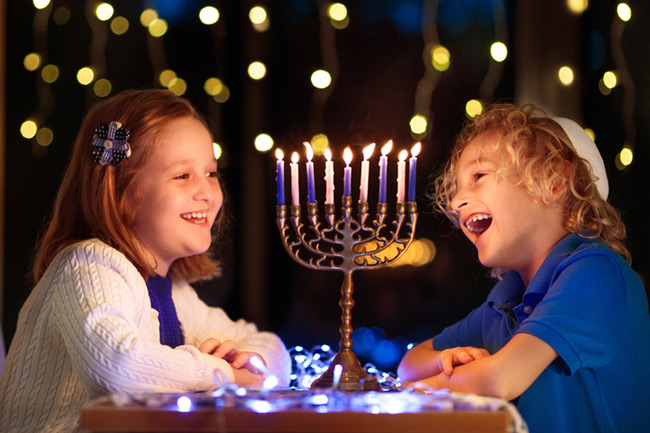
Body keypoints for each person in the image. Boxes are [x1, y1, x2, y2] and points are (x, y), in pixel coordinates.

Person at [0, 89, 291, 432]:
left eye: (211, 173)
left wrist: (250, 362)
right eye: (182, 175)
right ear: (121, 192)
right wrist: (225, 373)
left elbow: (272, 348)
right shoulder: (87, 265)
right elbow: (117, 366)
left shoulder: (176, 294)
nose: (207, 192)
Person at [397, 104, 650, 432]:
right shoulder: (506, 300)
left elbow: (499, 378)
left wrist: (408, 393)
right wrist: (447, 360)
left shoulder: (598, 273)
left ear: (556, 181)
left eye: (478, 176)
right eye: (457, 187)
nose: (456, 201)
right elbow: (409, 365)